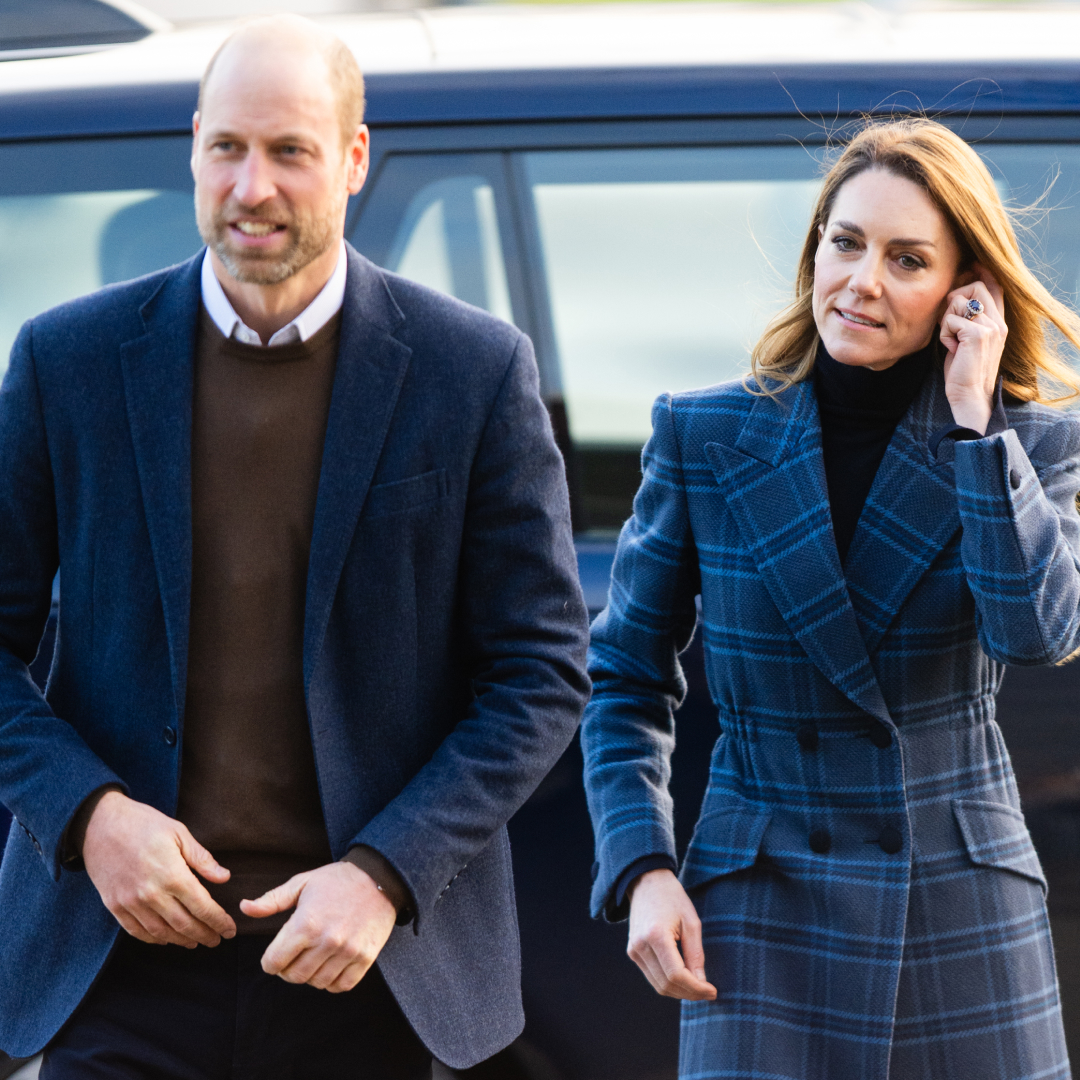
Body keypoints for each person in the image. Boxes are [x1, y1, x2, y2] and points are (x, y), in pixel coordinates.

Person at [0, 15, 589, 1078]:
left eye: (290, 151)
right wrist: (89, 819)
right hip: (118, 964)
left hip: (368, 969)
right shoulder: (64, 364)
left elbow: (541, 673)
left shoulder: (473, 372)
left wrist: (385, 874)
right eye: (227, 148)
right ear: (192, 147)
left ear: (354, 159)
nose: (251, 187)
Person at [582, 116, 1080, 1080]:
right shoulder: (706, 434)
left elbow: (1036, 630)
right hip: (761, 897)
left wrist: (978, 431)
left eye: (907, 259)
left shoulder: (1028, 444)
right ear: (816, 247)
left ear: (961, 290)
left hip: (956, 897)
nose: (862, 280)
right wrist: (642, 867)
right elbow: (625, 680)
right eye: (845, 243)